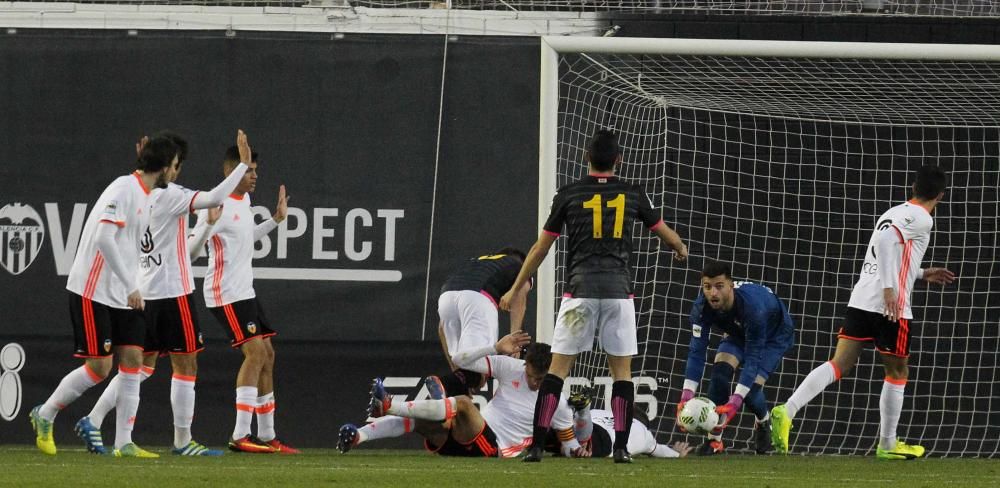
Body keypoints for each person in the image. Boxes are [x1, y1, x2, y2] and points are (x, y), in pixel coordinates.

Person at [499, 129, 688, 463]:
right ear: (619, 160)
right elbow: (663, 232)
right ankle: (620, 449)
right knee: (622, 374)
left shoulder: (569, 194)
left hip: (580, 294)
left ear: (587, 157)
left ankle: (538, 447)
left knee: (557, 371)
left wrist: (515, 288)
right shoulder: (632, 192)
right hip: (618, 294)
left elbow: (541, 246)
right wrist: (679, 247)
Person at [74, 130, 252, 457]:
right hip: (172, 292)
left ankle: (93, 418)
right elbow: (214, 197)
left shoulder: (139, 193)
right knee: (186, 366)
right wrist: (242, 166)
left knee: (140, 367)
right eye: (174, 164)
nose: (175, 171)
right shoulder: (172, 196)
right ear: (171, 166)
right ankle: (183, 442)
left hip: (143, 291)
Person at [770, 165, 954, 460]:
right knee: (897, 371)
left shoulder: (892, 212)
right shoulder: (923, 218)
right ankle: (888, 444)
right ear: (941, 196)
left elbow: (889, 252)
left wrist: (920, 273)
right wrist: (891, 289)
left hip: (861, 298)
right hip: (889, 306)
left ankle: (787, 409)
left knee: (840, 363)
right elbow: (884, 243)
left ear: (912, 186)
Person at [29, 135, 179, 458]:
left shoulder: (146, 192)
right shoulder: (123, 189)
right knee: (99, 367)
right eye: (176, 166)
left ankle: (123, 442)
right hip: (93, 289)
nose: (177, 173)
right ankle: (45, 414)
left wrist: (129, 286)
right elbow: (104, 239)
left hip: (123, 293)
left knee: (134, 361)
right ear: (164, 167)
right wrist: (130, 284)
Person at [187, 145, 297, 454]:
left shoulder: (244, 200)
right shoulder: (215, 204)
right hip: (224, 294)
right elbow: (192, 251)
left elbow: (246, 236)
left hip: (244, 291)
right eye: (249, 170)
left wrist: (275, 219)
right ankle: (240, 434)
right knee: (255, 354)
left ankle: (267, 435)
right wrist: (208, 223)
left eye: (255, 171)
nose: (254, 177)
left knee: (268, 355)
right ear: (230, 172)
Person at [338, 335, 588, 459]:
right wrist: (494, 348)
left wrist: (578, 452)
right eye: (532, 376)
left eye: (542, 379)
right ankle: (358, 436)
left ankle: (391, 406)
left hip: (494, 448)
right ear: (525, 365)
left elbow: (569, 445)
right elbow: (459, 360)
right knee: (421, 422)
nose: (535, 383)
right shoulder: (510, 367)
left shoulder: (559, 402)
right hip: (467, 438)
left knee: (464, 404)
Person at [675, 260, 795, 455]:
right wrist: (686, 396)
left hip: (774, 335)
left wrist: (735, 402)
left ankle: (764, 421)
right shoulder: (701, 308)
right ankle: (715, 442)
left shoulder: (754, 309)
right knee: (719, 375)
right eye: (707, 287)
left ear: (731, 286)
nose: (713, 293)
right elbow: (696, 352)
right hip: (739, 332)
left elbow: (753, 359)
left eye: (719, 286)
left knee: (751, 390)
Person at [426, 248, 532, 399]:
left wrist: (457, 372)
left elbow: (442, 329)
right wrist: (515, 340)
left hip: (446, 297)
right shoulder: (520, 266)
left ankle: (445, 389)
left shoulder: (476, 263)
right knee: (481, 362)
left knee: (469, 363)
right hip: (477, 299)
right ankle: (446, 384)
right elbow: (520, 295)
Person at [551, 389, 692, 459]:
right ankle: (582, 414)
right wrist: (677, 453)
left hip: (574, 427)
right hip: (604, 440)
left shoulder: (603, 412)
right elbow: (660, 450)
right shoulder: (645, 433)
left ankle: (577, 413)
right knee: (581, 445)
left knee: (559, 434)